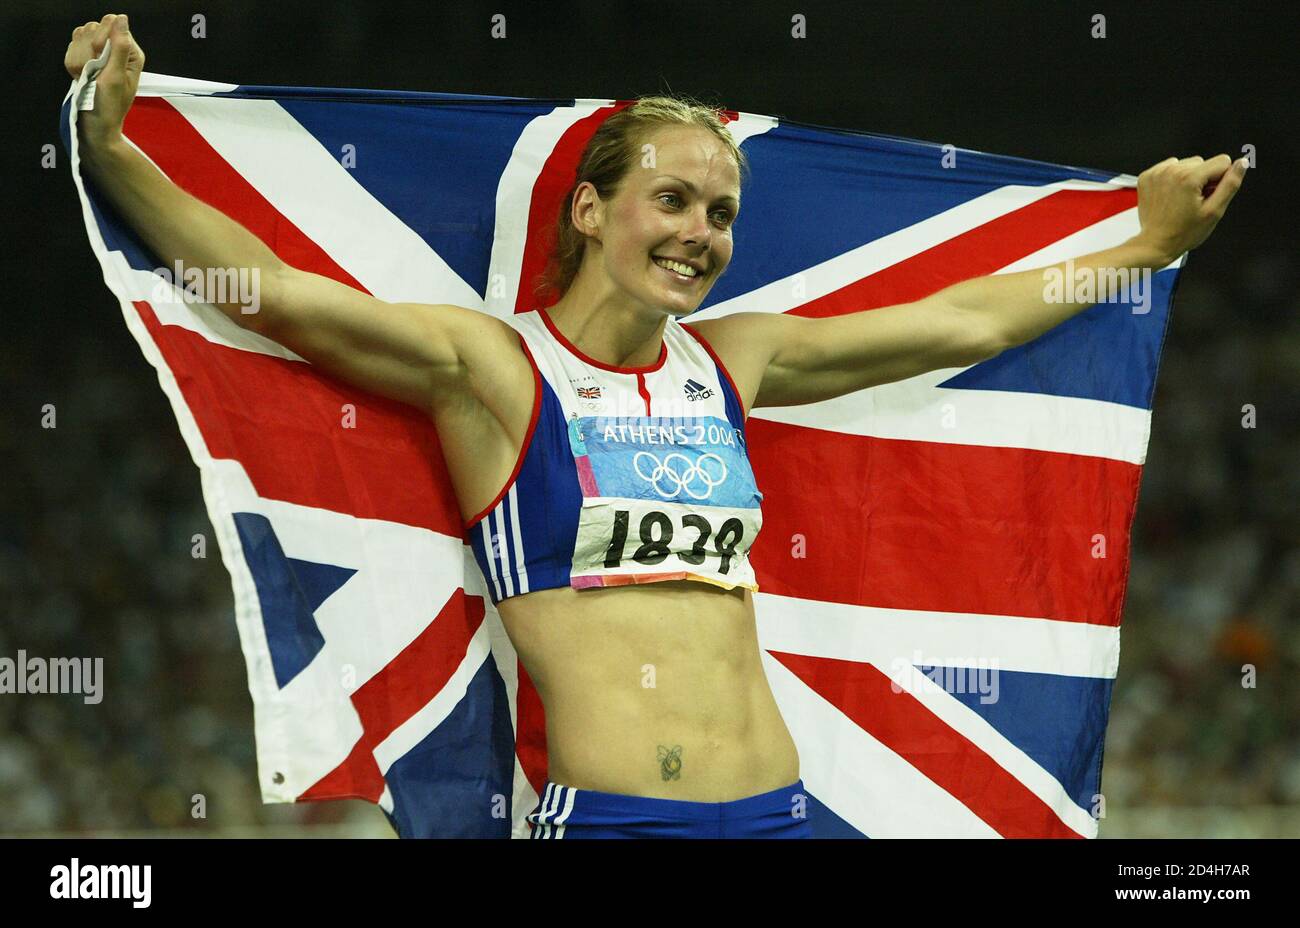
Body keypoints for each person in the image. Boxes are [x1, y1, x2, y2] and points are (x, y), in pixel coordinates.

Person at [65, 13, 1247, 839]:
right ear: (587, 209)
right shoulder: (494, 369)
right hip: (618, 824)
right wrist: (112, 150)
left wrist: (1139, 248)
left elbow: (954, 323)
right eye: (671, 199)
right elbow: (273, 291)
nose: (700, 232)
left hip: (780, 811)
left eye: (721, 212)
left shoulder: (739, 358)